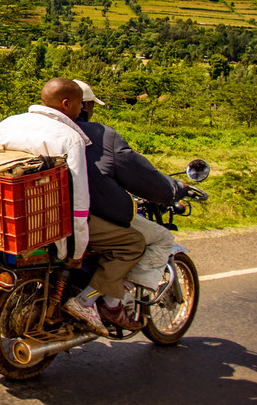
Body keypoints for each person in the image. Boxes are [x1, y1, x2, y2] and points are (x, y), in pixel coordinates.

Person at [0, 78, 145, 336]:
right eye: (79, 106)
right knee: (132, 242)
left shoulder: (9, 122)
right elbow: (78, 203)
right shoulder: (70, 137)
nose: (81, 113)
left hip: (3, 214)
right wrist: (74, 253)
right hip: (47, 219)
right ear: (67, 104)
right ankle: (99, 304)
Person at [73, 79, 190, 329]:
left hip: (56, 214)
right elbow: (142, 176)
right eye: (91, 105)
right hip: (89, 216)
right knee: (156, 239)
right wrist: (174, 189)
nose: (92, 110)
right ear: (81, 105)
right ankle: (112, 300)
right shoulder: (100, 136)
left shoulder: (44, 131)